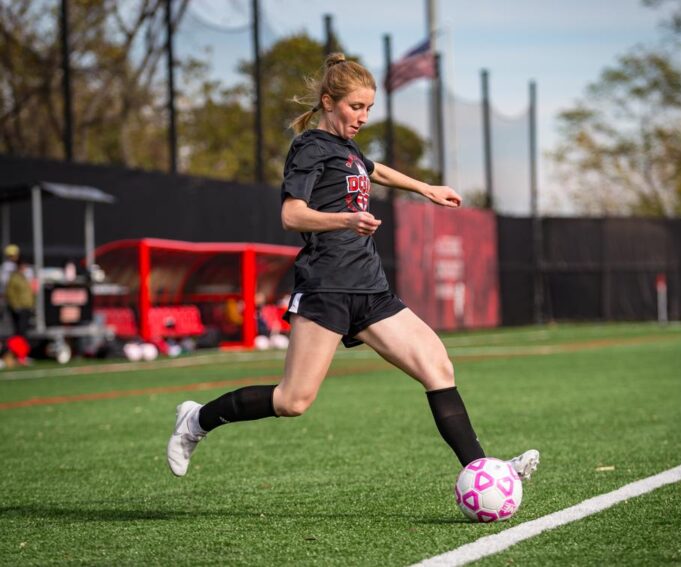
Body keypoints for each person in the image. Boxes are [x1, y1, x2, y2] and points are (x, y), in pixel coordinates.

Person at [167, 53, 539, 483]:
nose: (363, 116)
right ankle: (196, 421)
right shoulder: (308, 147)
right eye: (355, 107)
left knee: (438, 367)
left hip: (370, 286)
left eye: (368, 108)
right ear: (328, 102)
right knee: (293, 400)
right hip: (326, 285)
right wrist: (345, 219)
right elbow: (292, 215)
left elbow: (373, 169)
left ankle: (483, 471)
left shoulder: (347, 148)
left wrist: (424, 188)